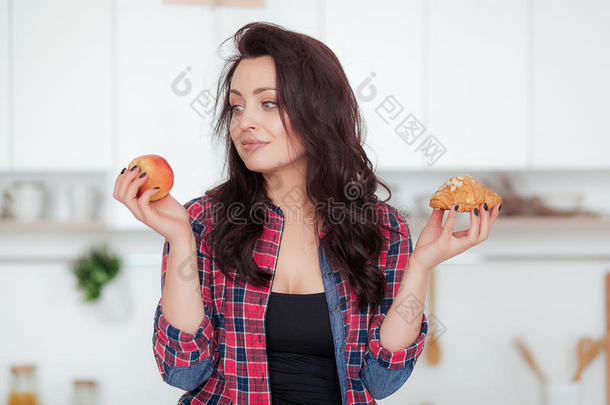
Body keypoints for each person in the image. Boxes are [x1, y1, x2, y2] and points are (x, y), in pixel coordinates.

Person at [113, 21, 500, 405]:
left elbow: (381, 381)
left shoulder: (382, 229)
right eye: (236, 106)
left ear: (317, 110)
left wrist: (420, 266)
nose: (244, 122)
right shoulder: (201, 221)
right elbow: (182, 370)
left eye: (268, 103)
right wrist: (181, 240)